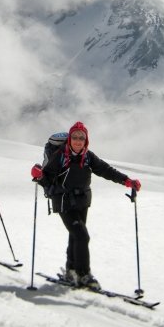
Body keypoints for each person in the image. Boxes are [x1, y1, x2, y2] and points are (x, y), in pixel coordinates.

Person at [31, 121, 141, 290]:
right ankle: (84, 275)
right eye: (74, 137)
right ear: (70, 139)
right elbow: (46, 178)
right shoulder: (60, 155)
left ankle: (71, 271)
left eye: (81, 138)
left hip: (82, 201)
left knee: (75, 236)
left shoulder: (88, 156)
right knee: (82, 236)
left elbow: (106, 170)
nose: (78, 141)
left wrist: (127, 181)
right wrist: (38, 175)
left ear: (86, 140)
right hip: (64, 201)